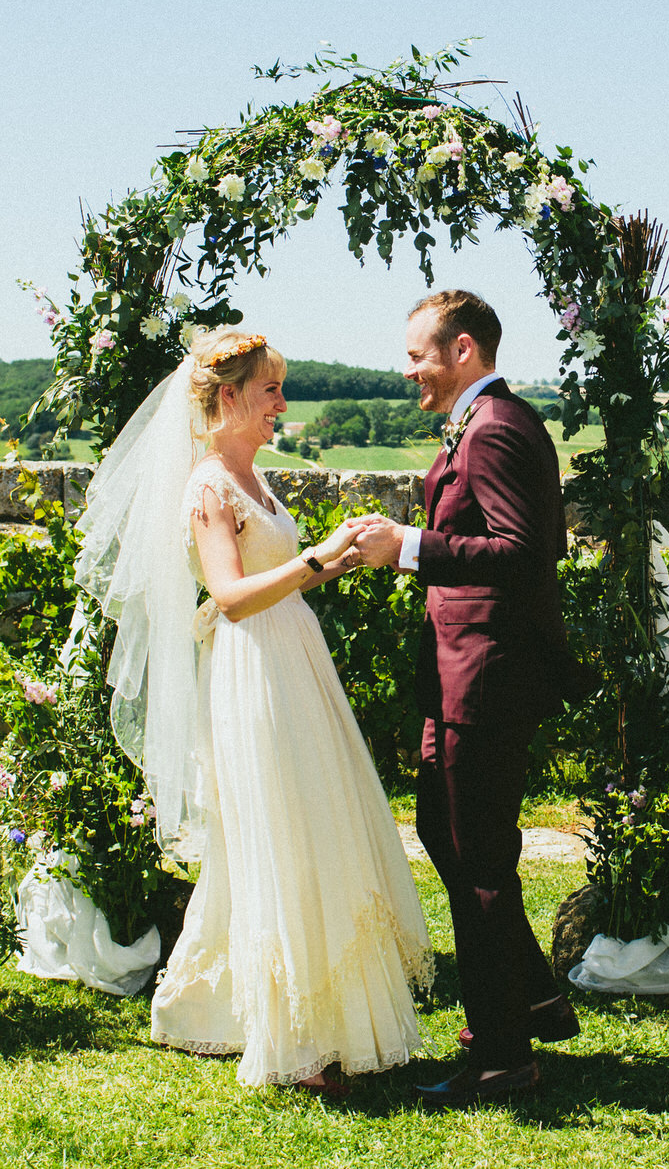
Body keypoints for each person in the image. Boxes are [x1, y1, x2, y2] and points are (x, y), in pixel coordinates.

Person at [72, 329, 432, 1093]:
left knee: (312, 822)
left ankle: (326, 1018)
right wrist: (314, 555)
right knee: (277, 829)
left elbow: (278, 583)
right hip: (251, 672)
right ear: (227, 398)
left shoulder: (257, 482)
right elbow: (229, 596)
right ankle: (293, 1038)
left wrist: (336, 559)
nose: (281, 403)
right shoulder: (209, 487)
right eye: (270, 389)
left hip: (295, 661)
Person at [349, 290, 582, 1107]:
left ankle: (501, 1054)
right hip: (457, 672)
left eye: (420, 354)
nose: (409, 368)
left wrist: (408, 546)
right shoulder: (477, 424)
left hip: (487, 676)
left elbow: (526, 551)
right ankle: (534, 995)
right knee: (446, 838)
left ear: (465, 351)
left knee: (478, 860)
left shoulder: (500, 427)